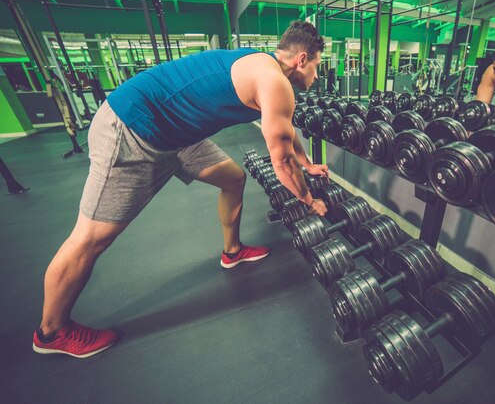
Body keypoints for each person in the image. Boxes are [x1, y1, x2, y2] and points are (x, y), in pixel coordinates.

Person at [32, 20, 329, 359]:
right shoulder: (276, 82)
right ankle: (51, 331)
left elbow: (285, 134)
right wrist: (308, 199)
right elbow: (282, 162)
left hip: (176, 134)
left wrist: (307, 164)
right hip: (133, 128)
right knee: (91, 238)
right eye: (319, 66)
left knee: (233, 178)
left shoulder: (264, 64)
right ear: (302, 59)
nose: (318, 76)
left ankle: (232, 252)